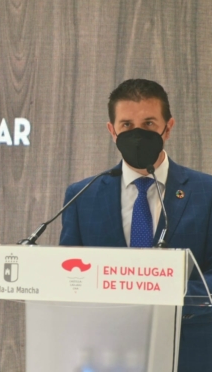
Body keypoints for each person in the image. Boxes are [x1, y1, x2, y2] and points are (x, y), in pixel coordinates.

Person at [60, 78, 212, 372]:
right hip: (105, 353)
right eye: (127, 125)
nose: (137, 134)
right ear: (112, 130)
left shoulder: (206, 191)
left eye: (149, 124)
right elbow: (68, 275)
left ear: (168, 128)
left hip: (189, 352)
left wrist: (166, 289)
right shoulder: (83, 194)